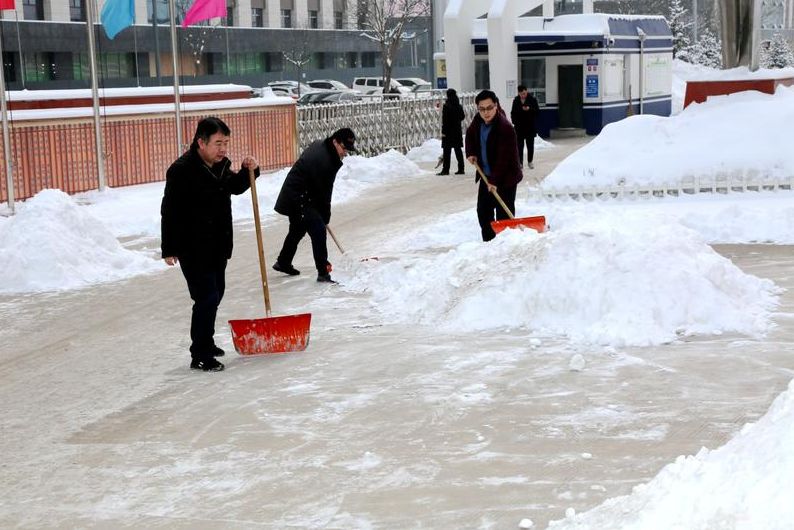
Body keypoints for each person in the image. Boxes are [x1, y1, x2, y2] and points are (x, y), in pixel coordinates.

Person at [161, 116, 260, 372]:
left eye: (226, 143)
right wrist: (169, 248)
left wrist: (251, 170)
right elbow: (169, 211)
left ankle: (207, 340)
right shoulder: (182, 170)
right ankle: (200, 354)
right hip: (192, 247)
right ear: (201, 142)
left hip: (217, 244)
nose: (223, 149)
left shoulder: (220, 166)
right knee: (207, 297)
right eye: (218, 143)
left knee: (216, 294)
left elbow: (235, 188)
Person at [272, 128, 357, 283]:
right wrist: (324, 216)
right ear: (335, 141)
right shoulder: (325, 161)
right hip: (300, 197)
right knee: (318, 231)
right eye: (344, 148)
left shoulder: (322, 146)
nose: (345, 153)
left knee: (297, 228)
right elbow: (324, 193)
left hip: (298, 193)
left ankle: (283, 262)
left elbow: (318, 189)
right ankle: (323, 273)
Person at [465, 90, 523, 242]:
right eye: (482, 109)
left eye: (489, 108)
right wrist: (470, 152)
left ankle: (505, 244)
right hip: (487, 176)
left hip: (506, 178)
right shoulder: (478, 120)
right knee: (483, 212)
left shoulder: (505, 128)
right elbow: (470, 135)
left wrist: (494, 181)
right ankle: (489, 243)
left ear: (496, 106)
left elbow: (504, 159)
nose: (486, 112)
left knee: (504, 215)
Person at [510, 85, 540, 169]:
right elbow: (513, 113)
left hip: (530, 127)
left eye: (524, 93)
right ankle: (520, 163)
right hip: (519, 127)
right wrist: (514, 122)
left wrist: (529, 109)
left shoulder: (532, 100)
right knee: (519, 146)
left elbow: (537, 112)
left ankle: (530, 161)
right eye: (521, 94)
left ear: (526, 91)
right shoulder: (516, 101)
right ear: (518, 93)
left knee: (530, 145)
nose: (523, 95)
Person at [438, 88, 466, 176]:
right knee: (458, 150)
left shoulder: (447, 106)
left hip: (448, 132)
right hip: (457, 131)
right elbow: (462, 117)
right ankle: (461, 168)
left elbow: (445, 120)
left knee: (447, 151)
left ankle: (446, 170)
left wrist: (443, 131)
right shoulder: (459, 106)